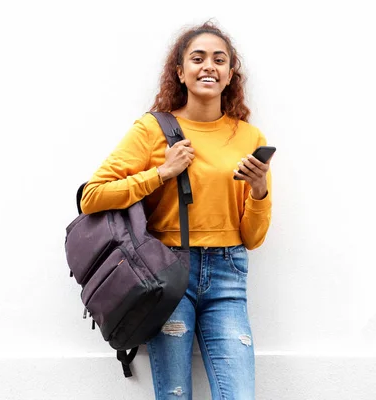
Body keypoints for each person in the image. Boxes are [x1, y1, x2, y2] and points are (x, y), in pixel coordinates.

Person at [80, 20, 273, 400]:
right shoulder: (153, 129)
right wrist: (161, 172)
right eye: (197, 58)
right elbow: (92, 196)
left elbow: (252, 238)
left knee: (239, 395)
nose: (209, 66)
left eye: (220, 59)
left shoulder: (248, 137)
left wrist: (260, 190)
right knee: (174, 395)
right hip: (167, 274)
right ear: (180, 72)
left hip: (228, 273)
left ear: (231, 73)